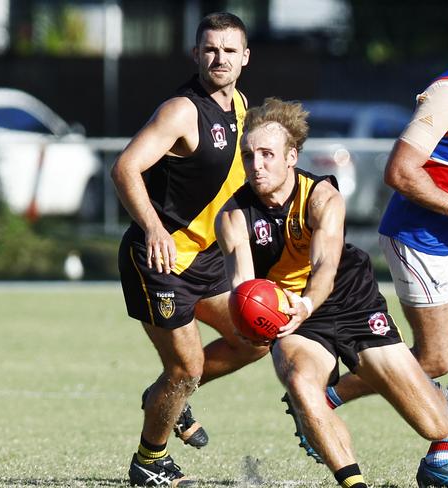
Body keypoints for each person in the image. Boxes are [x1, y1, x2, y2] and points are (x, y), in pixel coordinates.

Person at [302, 2, 448, 487]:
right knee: (433, 359)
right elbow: (398, 171)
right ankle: (322, 398)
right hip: (416, 238)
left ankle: (441, 463)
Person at [215, 98, 448, 488]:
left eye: (267, 154)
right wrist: (251, 323)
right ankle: (353, 482)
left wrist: (306, 304)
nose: (257, 165)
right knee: (301, 382)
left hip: (349, 300)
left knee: (438, 423)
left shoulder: (321, 197)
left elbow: (325, 268)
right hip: (291, 314)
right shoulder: (234, 214)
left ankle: (408, 383)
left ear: (291, 156)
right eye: (249, 156)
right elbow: (243, 287)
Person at [111, 12, 268, 487]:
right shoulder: (182, 110)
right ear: (196, 54)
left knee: (255, 340)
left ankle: (168, 396)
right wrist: (155, 229)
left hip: (205, 258)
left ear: (244, 57)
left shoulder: (242, 106)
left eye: (228, 50)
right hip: (159, 261)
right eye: (209, 49)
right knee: (185, 366)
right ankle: (149, 462)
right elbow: (125, 169)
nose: (218, 58)